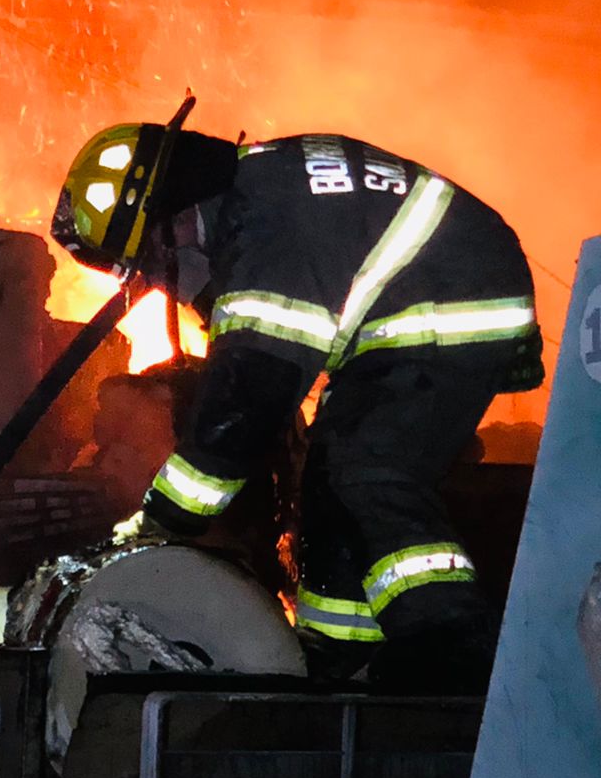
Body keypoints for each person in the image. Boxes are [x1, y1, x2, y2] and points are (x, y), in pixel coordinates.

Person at [52, 119, 541, 691]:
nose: (163, 280)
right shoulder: (257, 191)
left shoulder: (268, 236)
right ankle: (337, 656)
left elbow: (245, 404)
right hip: (421, 301)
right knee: (330, 479)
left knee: (372, 471)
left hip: (448, 307)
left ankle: (450, 644)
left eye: (154, 263)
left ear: (174, 219)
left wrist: (163, 519)